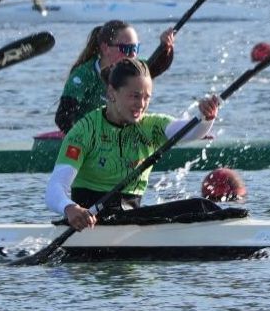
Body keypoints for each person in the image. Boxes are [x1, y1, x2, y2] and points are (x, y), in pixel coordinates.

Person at [45, 58, 221, 230]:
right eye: (135, 96)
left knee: (202, 207)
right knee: (199, 207)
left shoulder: (151, 126)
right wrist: (69, 208)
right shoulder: (85, 130)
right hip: (87, 223)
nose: (141, 105)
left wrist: (205, 117)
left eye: (146, 97)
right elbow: (55, 187)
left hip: (130, 219)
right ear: (111, 93)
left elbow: (190, 131)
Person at [54, 19, 176, 132]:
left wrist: (166, 48)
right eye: (126, 49)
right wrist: (85, 143)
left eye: (135, 48)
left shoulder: (133, 68)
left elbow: (156, 67)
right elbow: (63, 117)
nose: (132, 55)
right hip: (90, 137)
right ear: (106, 48)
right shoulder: (84, 75)